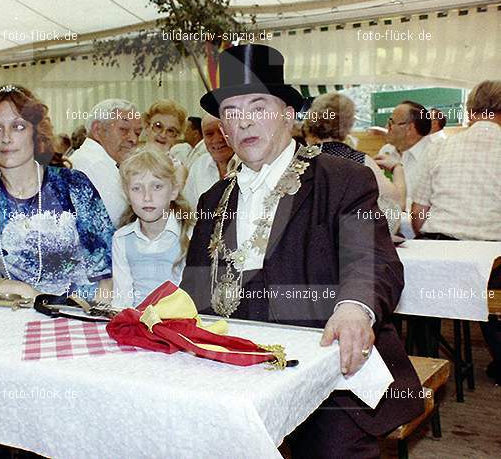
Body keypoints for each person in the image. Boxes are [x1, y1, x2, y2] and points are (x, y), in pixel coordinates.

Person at [181, 44, 422, 458]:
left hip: (327, 369)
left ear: (288, 114)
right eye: (232, 113)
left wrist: (353, 308)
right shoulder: (212, 199)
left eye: (258, 105)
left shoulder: (342, 178)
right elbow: (196, 290)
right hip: (236, 367)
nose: (244, 122)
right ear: (222, 129)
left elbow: (373, 259)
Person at [0, 85, 115, 302]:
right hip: (23, 313)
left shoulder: (72, 184)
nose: (6, 138)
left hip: (83, 312)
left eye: (18, 127)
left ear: (35, 133)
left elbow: (108, 272)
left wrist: (91, 318)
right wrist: (16, 288)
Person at [411, 80, 501, 382]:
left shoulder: (440, 147)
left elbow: (418, 213)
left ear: (470, 110)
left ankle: (425, 361)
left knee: (419, 290)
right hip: (493, 259)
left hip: (441, 255)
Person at [302, 92, 406, 233]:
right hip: (348, 242)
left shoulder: (300, 160)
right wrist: (397, 167)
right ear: (349, 124)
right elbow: (397, 203)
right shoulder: (360, 161)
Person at [112, 149, 194, 307]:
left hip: (178, 323)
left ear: (174, 191)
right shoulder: (121, 239)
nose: (147, 197)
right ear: (127, 195)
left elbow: (192, 299)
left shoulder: (190, 236)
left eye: (157, 187)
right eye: (137, 188)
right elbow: (122, 299)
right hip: (136, 324)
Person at [69, 99, 140, 228]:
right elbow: (122, 224)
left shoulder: (92, 160)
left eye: (137, 133)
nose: (133, 139)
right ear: (97, 130)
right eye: (124, 129)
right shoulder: (94, 164)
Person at [374, 100, 433, 208]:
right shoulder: (386, 150)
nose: (386, 126)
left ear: (409, 128)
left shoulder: (434, 156)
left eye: (391, 122)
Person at [182, 114, 236, 211]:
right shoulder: (198, 166)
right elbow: (188, 212)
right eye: (209, 134)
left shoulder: (250, 165)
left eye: (222, 131)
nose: (217, 139)